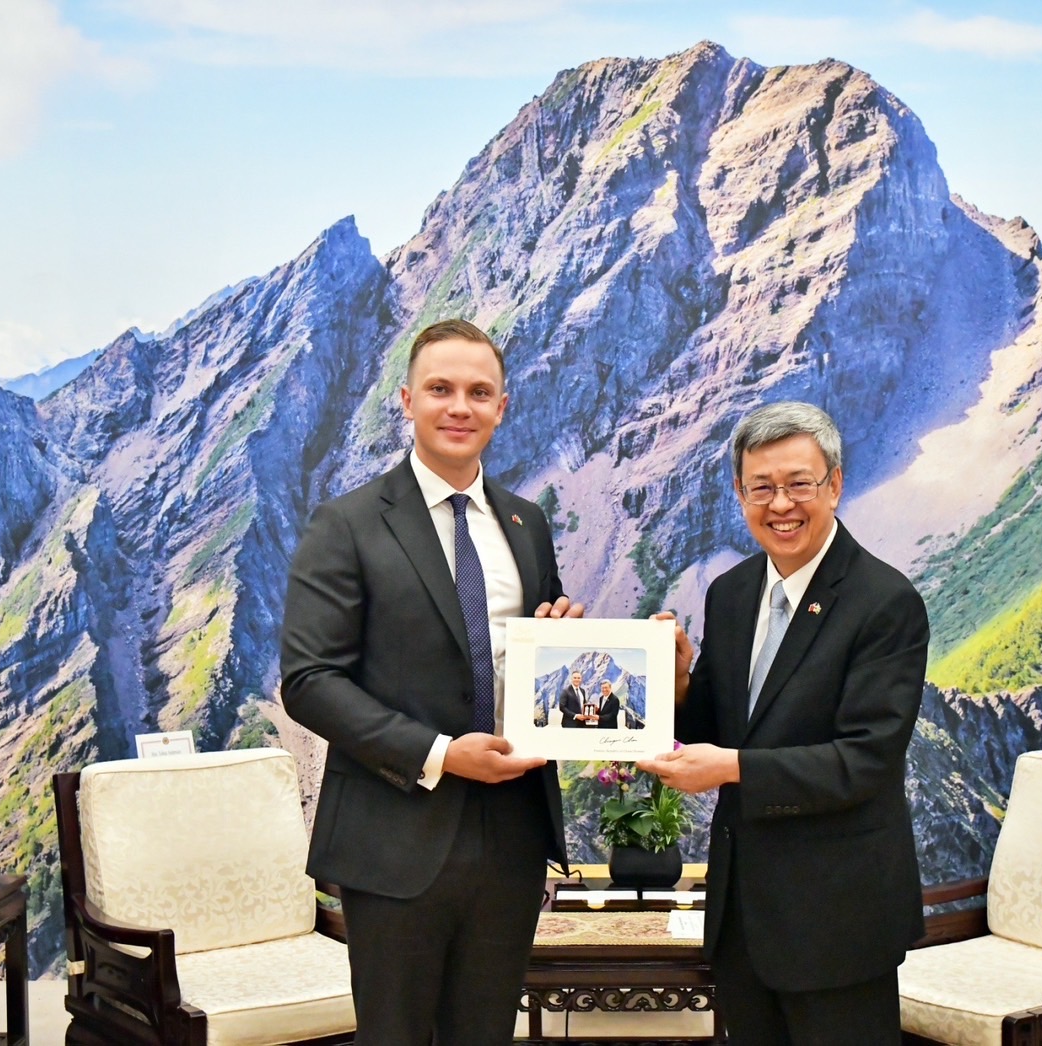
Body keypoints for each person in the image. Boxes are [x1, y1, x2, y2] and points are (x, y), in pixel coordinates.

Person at [280, 318, 582, 1046]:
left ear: (502, 407)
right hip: (394, 836)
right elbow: (310, 680)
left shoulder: (528, 523)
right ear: (407, 401)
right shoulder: (347, 523)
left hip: (512, 836)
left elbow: (529, 664)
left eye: (479, 392)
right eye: (441, 389)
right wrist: (441, 754)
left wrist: (561, 638)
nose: (459, 407)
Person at [639, 402, 929, 1046]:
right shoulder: (732, 592)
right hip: (743, 914)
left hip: (838, 919)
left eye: (799, 484)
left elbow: (865, 760)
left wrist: (733, 769)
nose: (780, 505)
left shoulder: (886, 603)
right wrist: (680, 680)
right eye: (760, 488)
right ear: (739, 493)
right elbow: (720, 725)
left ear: (835, 484)